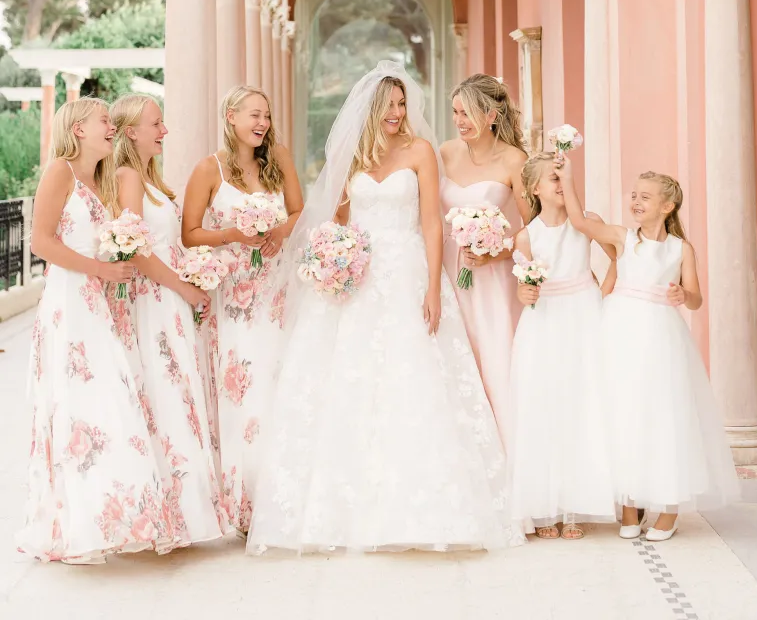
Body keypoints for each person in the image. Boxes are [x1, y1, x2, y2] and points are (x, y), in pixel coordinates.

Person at [246, 63, 518, 555]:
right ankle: (346, 511)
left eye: (401, 104)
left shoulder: (421, 152)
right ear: (370, 109)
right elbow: (338, 218)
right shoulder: (352, 157)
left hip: (409, 270)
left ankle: (425, 509)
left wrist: (433, 289)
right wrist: (331, 255)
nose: (397, 113)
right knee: (350, 381)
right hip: (359, 280)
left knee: (413, 379)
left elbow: (432, 224)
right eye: (388, 105)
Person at [17, 98, 172, 563]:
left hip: (102, 305)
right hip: (71, 304)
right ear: (78, 128)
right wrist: (100, 272)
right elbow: (41, 241)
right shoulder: (60, 171)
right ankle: (73, 528)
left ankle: (106, 517)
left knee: (107, 406)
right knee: (76, 409)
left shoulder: (100, 180)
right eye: (104, 121)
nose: (112, 128)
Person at [181, 85, 303, 532]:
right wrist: (232, 234)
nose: (262, 124)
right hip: (233, 298)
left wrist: (277, 233)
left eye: (266, 116)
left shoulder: (280, 159)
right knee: (243, 393)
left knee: (280, 384)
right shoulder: (207, 169)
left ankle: (284, 496)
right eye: (254, 114)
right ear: (230, 116)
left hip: (276, 293)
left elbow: (298, 213)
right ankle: (247, 504)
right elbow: (190, 233)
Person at [112, 93, 231, 547]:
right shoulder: (127, 177)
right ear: (131, 132)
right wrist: (184, 286)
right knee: (164, 395)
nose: (164, 131)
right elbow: (138, 251)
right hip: (154, 302)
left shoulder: (149, 177)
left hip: (171, 299)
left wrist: (194, 272)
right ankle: (170, 514)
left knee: (179, 393)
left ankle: (185, 513)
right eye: (156, 124)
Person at [602, 171, 739, 540]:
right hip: (621, 334)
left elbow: (695, 298)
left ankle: (669, 510)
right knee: (625, 412)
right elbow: (583, 223)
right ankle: (629, 505)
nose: (636, 202)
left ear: (667, 206)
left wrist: (683, 295)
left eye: (645, 197)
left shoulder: (681, 248)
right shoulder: (623, 239)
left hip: (661, 338)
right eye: (634, 194)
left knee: (664, 414)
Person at [507, 152, 616, 539]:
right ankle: (544, 510)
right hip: (545, 324)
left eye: (563, 178)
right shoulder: (526, 236)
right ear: (535, 189)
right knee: (544, 406)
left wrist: (603, 294)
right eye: (554, 179)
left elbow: (619, 257)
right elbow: (524, 292)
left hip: (583, 319)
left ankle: (575, 506)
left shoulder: (586, 225)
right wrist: (527, 292)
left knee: (581, 404)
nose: (561, 183)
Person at [440, 74, 528, 444]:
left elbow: (534, 228)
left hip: (493, 280)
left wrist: (499, 250)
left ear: (492, 115)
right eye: (456, 112)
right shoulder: (444, 152)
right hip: (449, 273)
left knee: (493, 358)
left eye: (468, 113)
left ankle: (508, 453)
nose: (459, 121)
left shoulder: (515, 160)